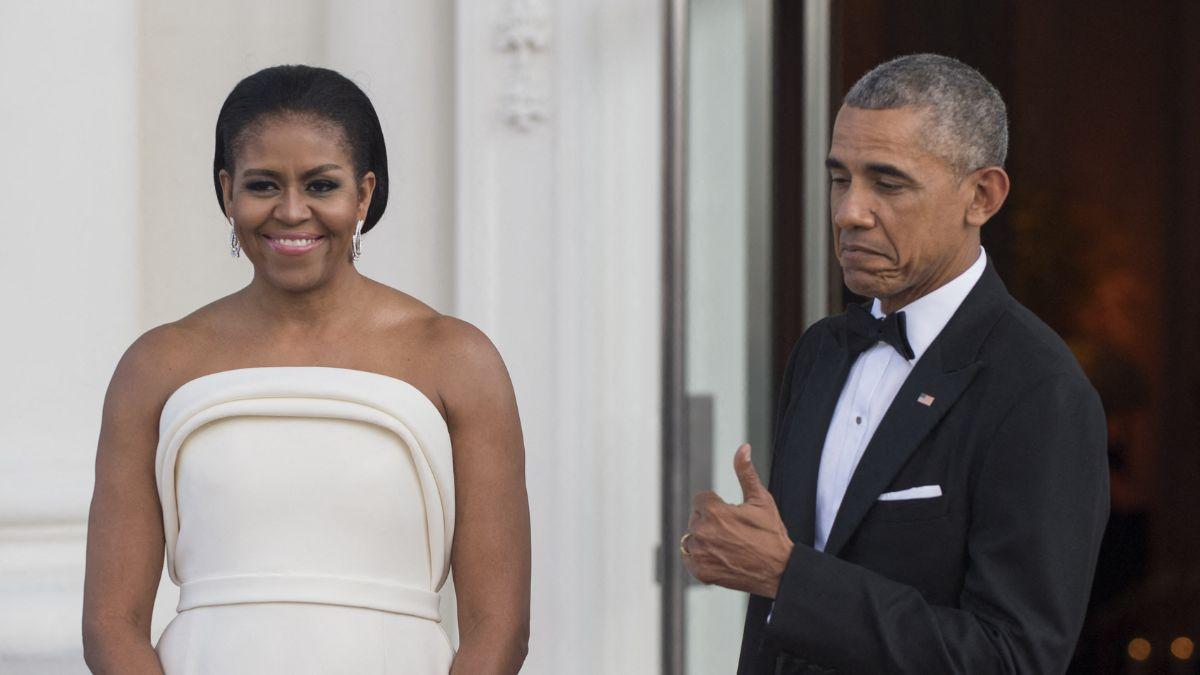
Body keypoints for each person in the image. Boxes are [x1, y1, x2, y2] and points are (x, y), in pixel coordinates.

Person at [81, 65, 530, 674]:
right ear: (225, 191)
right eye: (264, 185)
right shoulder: (159, 364)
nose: (292, 212)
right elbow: (112, 624)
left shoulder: (455, 359)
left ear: (364, 194)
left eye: (321, 185)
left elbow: (498, 629)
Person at [680, 54, 1108, 674]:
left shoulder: (1039, 390)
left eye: (887, 182)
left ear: (981, 196)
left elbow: (1015, 659)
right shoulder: (822, 351)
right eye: (839, 178)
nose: (849, 212)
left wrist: (788, 577)